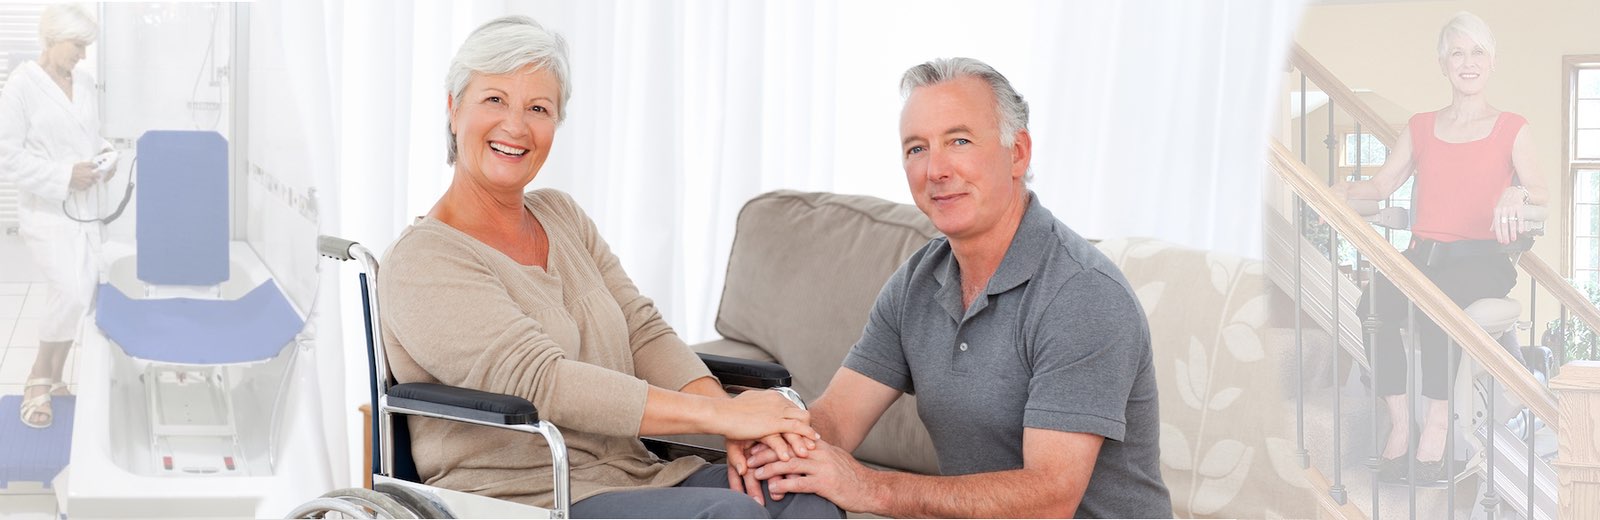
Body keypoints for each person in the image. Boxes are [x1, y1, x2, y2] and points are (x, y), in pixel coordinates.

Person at [378, 16, 840, 519]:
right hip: (527, 497)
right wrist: (724, 412)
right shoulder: (423, 260)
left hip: (635, 472)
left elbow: (642, 333)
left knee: (803, 493)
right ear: (453, 108)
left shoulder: (562, 215)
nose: (515, 125)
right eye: (494, 99)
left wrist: (735, 428)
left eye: (538, 107)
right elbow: (543, 382)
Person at [738, 57, 1172, 518]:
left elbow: (1049, 499)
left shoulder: (1081, 295)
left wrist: (870, 487)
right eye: (916, 149)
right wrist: (775, 437)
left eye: (959, 141)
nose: (936, 170)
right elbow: (837, 421)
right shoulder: (917, 282)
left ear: (1018, 153)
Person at [1331, 11, 1546, 483]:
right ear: (1442, 64)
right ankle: (1402, 422)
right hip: (1424, 257)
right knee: (1374, 306)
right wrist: (1341, 190)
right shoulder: (1421, 126)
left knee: (1434, 310)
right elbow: (1383, 183)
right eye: (1457, 53)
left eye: (1477, 52)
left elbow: (1540, 193)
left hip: (1484, 259)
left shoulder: (1512, 127)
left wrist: (1518, 193)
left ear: (1492, 63)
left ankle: (1436, 429)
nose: (1467, 62)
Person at [0, 3, 114, 429]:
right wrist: (65, 175)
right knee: (68, 289)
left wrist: (105, 155)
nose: (83, 55)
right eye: (78, 45)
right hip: (47, 209)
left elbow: (89, 136)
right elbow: (8, 158)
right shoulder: (21, 87)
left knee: (80, 292)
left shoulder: (82, 83)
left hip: (85, 210)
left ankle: (55, 378)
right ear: (52, 38)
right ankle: (36, 380)